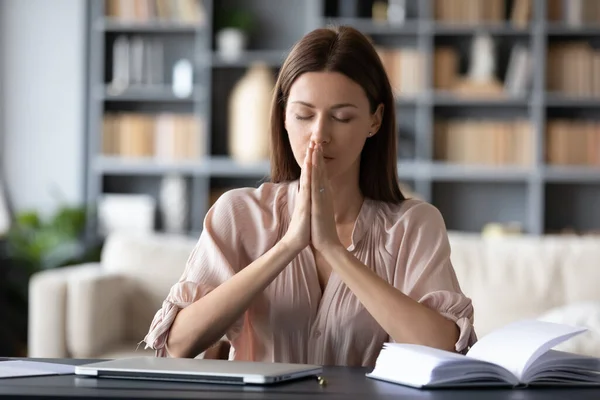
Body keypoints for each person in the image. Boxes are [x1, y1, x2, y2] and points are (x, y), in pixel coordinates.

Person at [142, 25, 476, 367]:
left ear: (375, 121)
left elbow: (446, 351)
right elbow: (177, 344)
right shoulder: (238, 213)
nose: (319, 135)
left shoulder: (414, 225)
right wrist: (287, 246)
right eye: (304, 115)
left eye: (342, 117)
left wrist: (334, 251)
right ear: (284, 116)